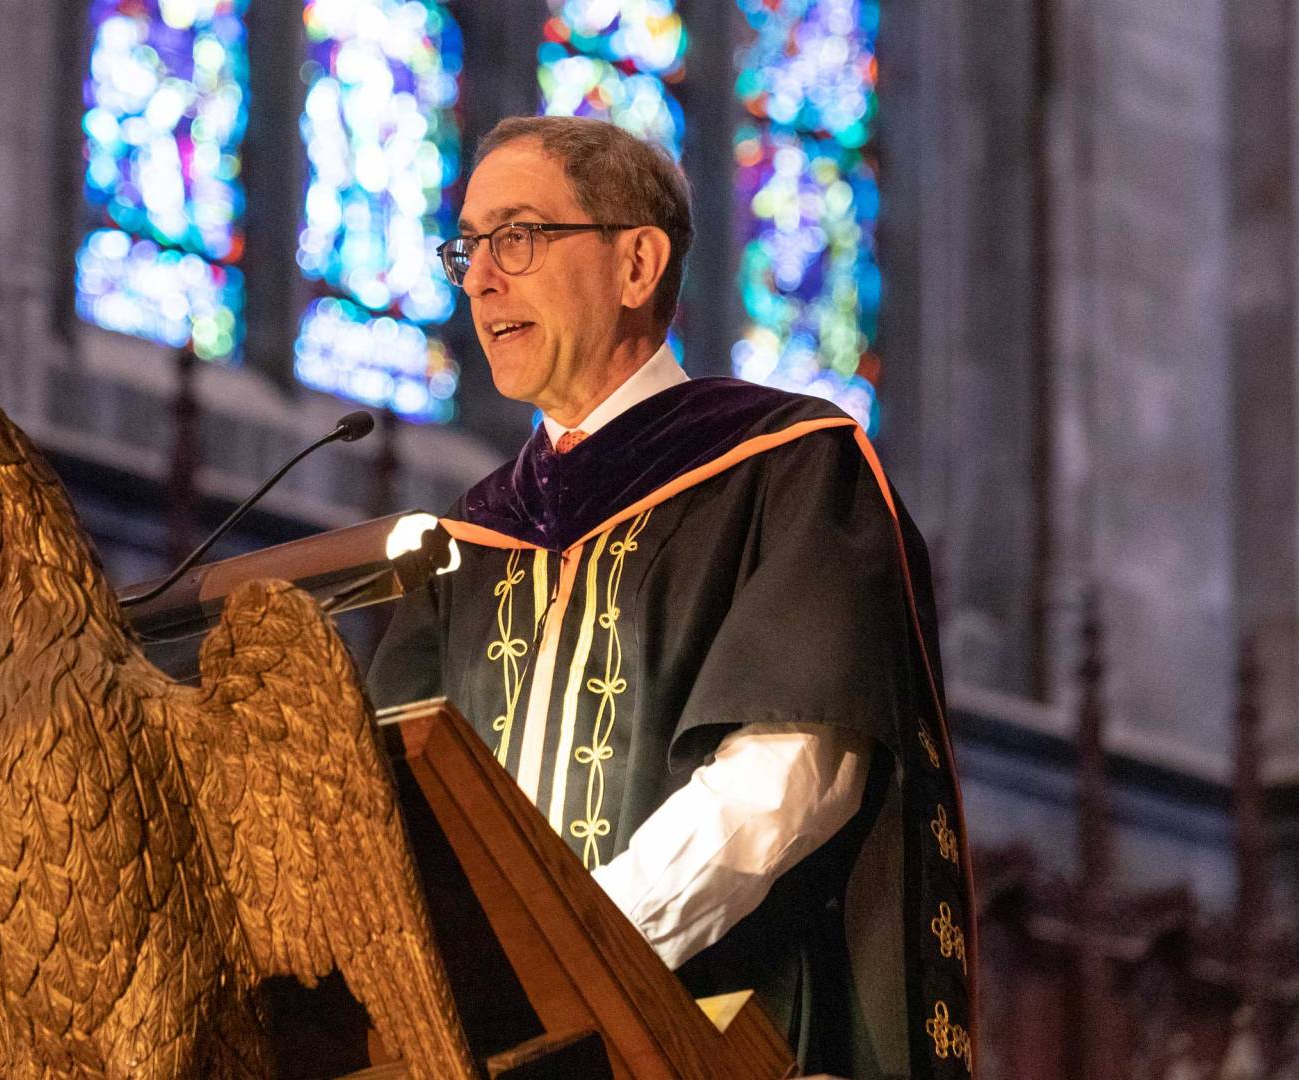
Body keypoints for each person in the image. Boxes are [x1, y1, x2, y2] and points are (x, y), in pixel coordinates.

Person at [368, 115, 975, 1079]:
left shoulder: (788, 469)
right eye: (468, 247)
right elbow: (383, 808)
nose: (481, 277)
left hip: (707, 1033)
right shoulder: (471, 541)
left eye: (517, 237)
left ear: (638, 262)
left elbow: (792, 773)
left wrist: (574, 957)